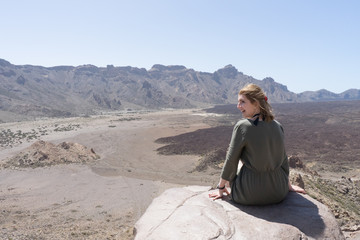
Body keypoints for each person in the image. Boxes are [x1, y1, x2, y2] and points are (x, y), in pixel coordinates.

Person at [209, 84, 305, 205]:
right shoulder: (277, 125)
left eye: (242, 102)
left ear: (256, 104)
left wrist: (221, 187)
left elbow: (231, 159)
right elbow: (283, 160)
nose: (238, 106)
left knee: (238, 160)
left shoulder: (243, 126)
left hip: (249, 194)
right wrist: (288, 186)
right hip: (278, 192)